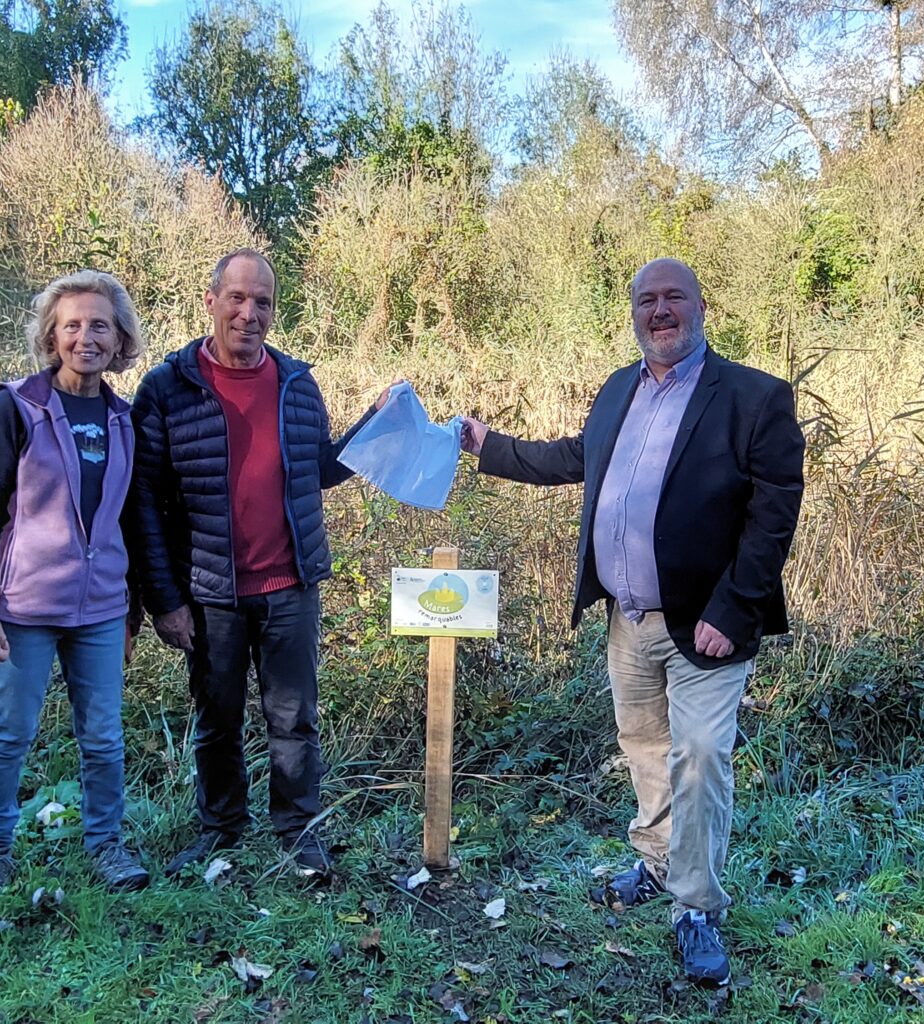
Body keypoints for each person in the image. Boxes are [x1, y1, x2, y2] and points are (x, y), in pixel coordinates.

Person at [460, 258, 805, 986]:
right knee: (645, 748)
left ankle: (698, 907)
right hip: (629, 617)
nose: (659, 310)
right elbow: (574, 458)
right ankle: (654, 861)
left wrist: (734, 607)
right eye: (646, 300)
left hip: (708, 625)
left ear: (701, 304)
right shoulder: (619, 387)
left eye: (672, 296)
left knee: (702, 757)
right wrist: (488, 445)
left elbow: (774, 517)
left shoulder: (753, 397)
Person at [130, 248, 392, 879]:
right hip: (210, 591)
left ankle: (299, 831)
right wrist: (164, 600)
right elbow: (143, 501)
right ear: (212, 301)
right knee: (216, 719)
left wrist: (375, 423)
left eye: (264, 302)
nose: (250, 313)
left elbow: (319, 468)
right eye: (238, 299)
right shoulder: (167, 388)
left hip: (288, 586)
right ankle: (221, 828)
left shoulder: (298, 383)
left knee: (294, 719)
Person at [0, 270, 149, 892]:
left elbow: (130, 523)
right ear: (51, 337)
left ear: (119, 339)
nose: (85, 337)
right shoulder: (17, 407)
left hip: (100, 609)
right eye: (71, 326)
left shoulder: (122, 418)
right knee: (9, 734)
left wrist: (132, 614)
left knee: (104, 737)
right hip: (24, 605)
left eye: (99, 326)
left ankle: (106, 847)